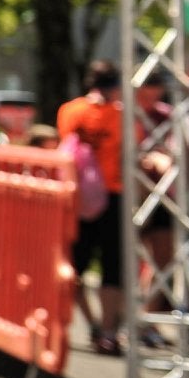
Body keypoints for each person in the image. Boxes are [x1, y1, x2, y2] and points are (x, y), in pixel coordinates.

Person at [59, 60, 127, 354]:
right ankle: (109, 330)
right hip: (112, 195)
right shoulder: (120, 115)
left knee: (75, 264)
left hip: (76, 196)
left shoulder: (70, 110)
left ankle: (93, 324)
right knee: (112, 266)